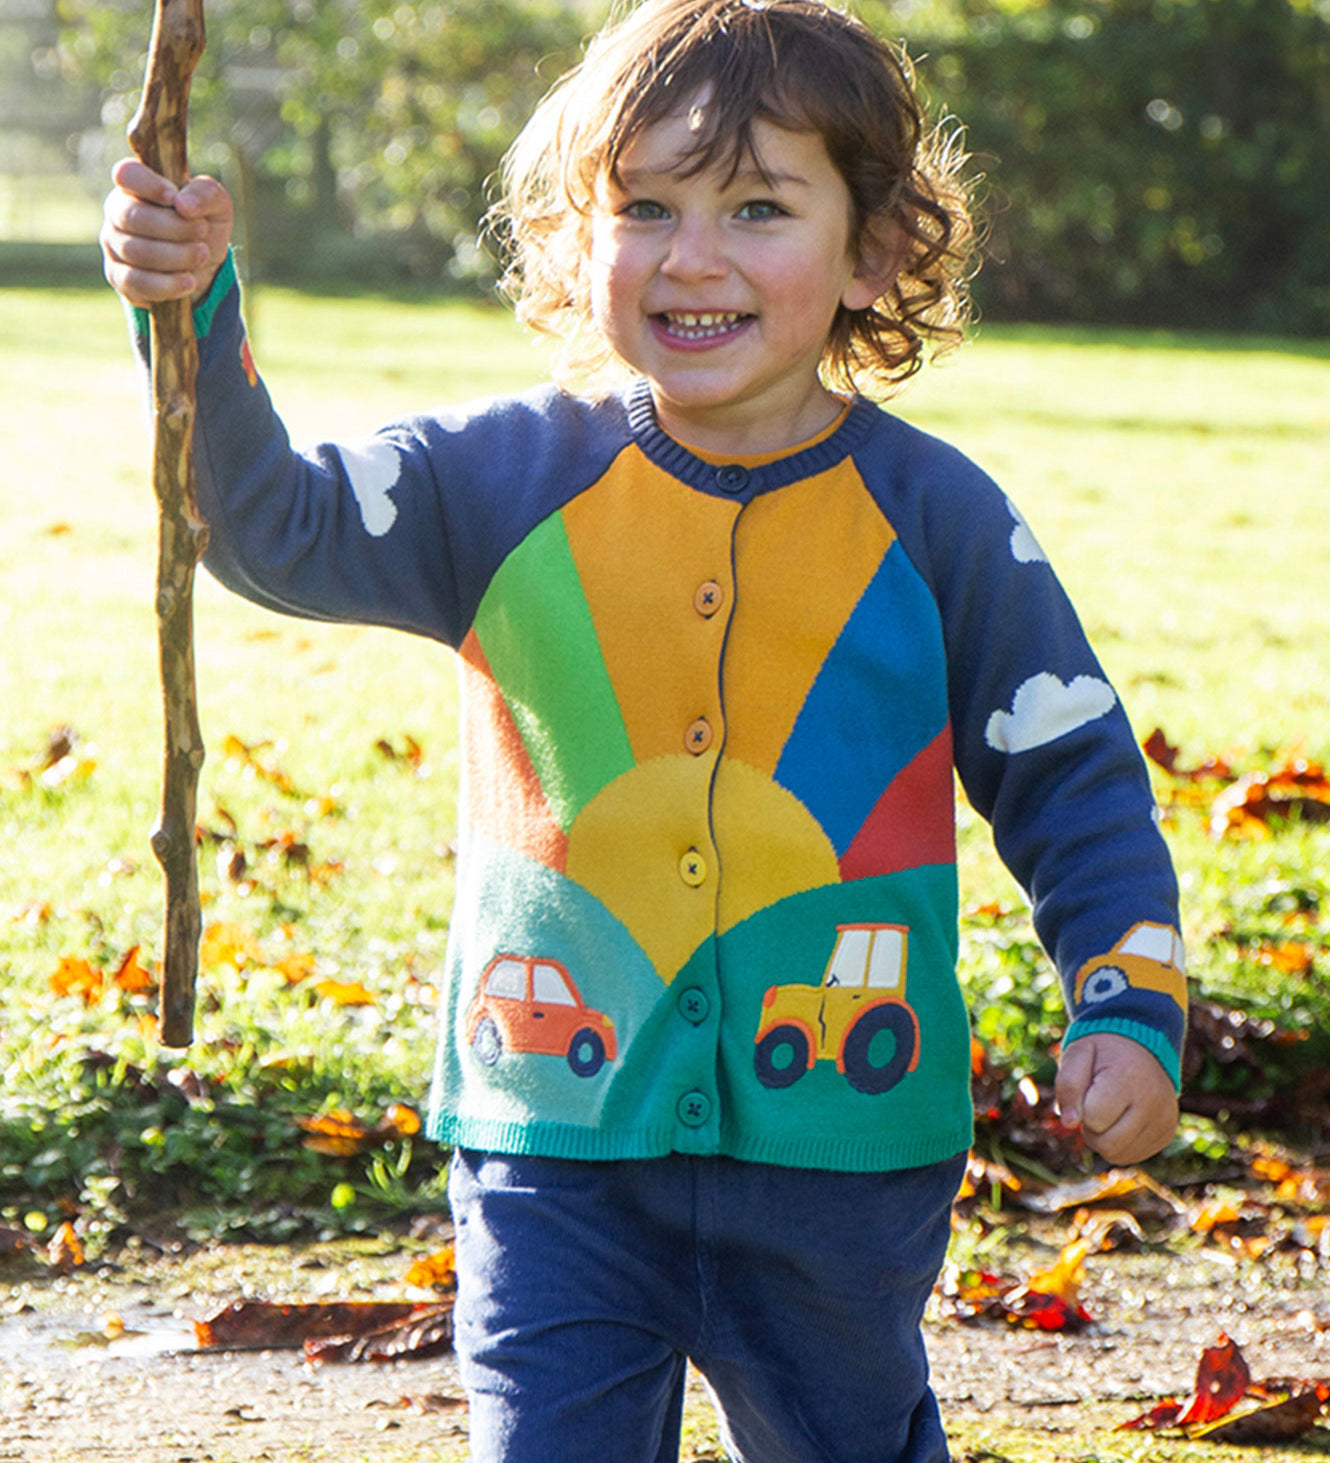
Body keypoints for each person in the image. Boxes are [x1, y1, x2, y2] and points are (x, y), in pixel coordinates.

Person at [101, 1, 1187, 1459]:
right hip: (553, 1132)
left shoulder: (940, 525)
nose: (691, 255)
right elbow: (268, 527)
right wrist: (192, 309)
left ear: (872, 248)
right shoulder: (494, 483)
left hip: (841, 1162)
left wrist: (1125, 996)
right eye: (645, 207)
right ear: (574, 235)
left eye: (756, 206)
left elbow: (1073, 784)